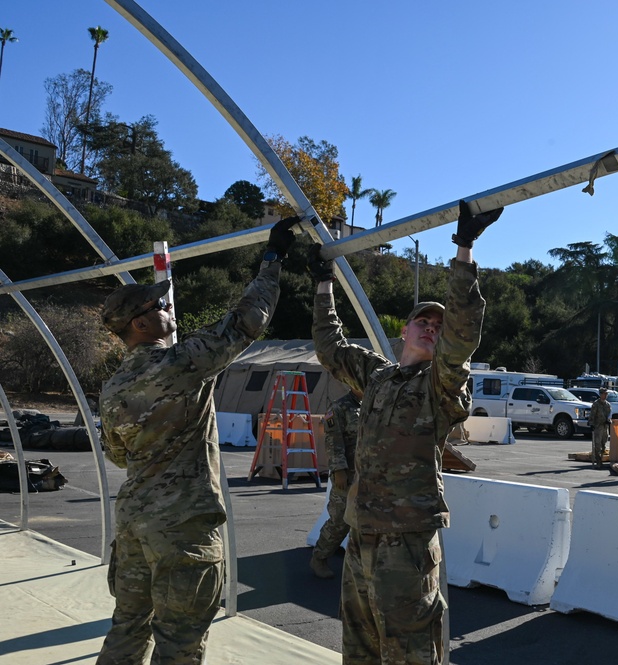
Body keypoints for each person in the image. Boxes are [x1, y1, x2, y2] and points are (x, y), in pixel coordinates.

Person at [95, 217, 299, 664]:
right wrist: (272, 260)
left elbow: (115, 453)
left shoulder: (112, 388)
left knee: (127, 626)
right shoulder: (179, 364)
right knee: (180, 640)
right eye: (160, 307)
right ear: (141, 323)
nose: (170, 312)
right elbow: (246, 322)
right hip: (182, 528)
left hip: (133, 522)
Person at [310, 199, 502, 664]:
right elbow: (330, 347)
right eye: (424, 321)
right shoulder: (376, 376)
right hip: (360, 538)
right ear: (405, 329)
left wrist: (464, 249)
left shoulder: (440, 384)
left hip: (407, 546)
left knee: (412, 653)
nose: (432, 329)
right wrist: (321, 283)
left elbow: (462, 335)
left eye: (438, 324)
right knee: (359, 649)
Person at [309, 388, 362, 579]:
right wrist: (339, 470)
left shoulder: (374, 404)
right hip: (347, 475)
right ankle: (319, 557)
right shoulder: (340, 407)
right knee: (339, 521)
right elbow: (333, 440)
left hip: (368, 474)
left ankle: (359, 566)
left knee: (364, 521)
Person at [588, 387, 612, 468]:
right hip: (598, 426)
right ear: (600, 394)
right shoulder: (596, 404)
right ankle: (598, 461)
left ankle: (601, 459)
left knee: (604, 444)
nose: (605, 395)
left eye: (606, 394)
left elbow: (609, 415)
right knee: (597, 444)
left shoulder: (608, 405)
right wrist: (591, 424)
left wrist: (609, 421)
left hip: (605, 426)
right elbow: (592, 415)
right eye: (604, 394)